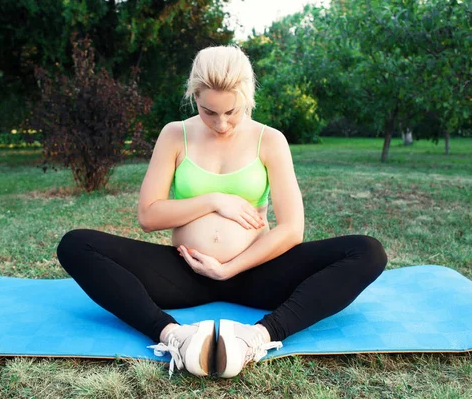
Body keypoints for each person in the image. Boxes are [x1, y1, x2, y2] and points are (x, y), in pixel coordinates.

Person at [56, 45, 388, 379]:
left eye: (232, 111)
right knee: (75, 245)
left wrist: (228, 269)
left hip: (257, 272)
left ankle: (256, 337)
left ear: (247, 97)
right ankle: (174, 336)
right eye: (208, 112)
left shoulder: (270, 140)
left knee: (368, 252)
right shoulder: (175, 135)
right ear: (194, 97)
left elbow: (291, 229)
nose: (222, 123)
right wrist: (214, 199)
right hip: (183, 271)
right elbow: (149, 216)